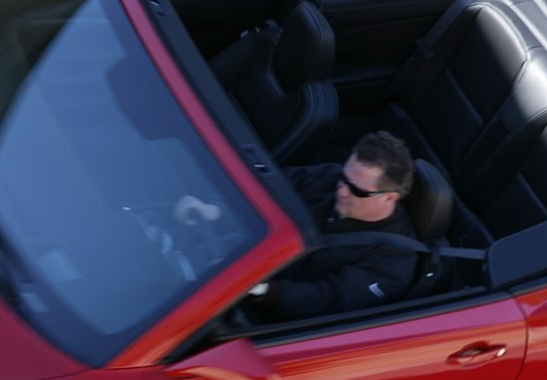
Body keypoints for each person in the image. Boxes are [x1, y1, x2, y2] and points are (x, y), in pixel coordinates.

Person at [178, 131, 419, 319]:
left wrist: (259, 289)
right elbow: (267, 190)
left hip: (257, 314)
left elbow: (325, 300)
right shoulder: (327, 177)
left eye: (356, 190)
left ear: (389, 197)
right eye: (344, 178)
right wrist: (216, 210)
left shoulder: (394, 261)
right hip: (230, 261)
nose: (342, 190)